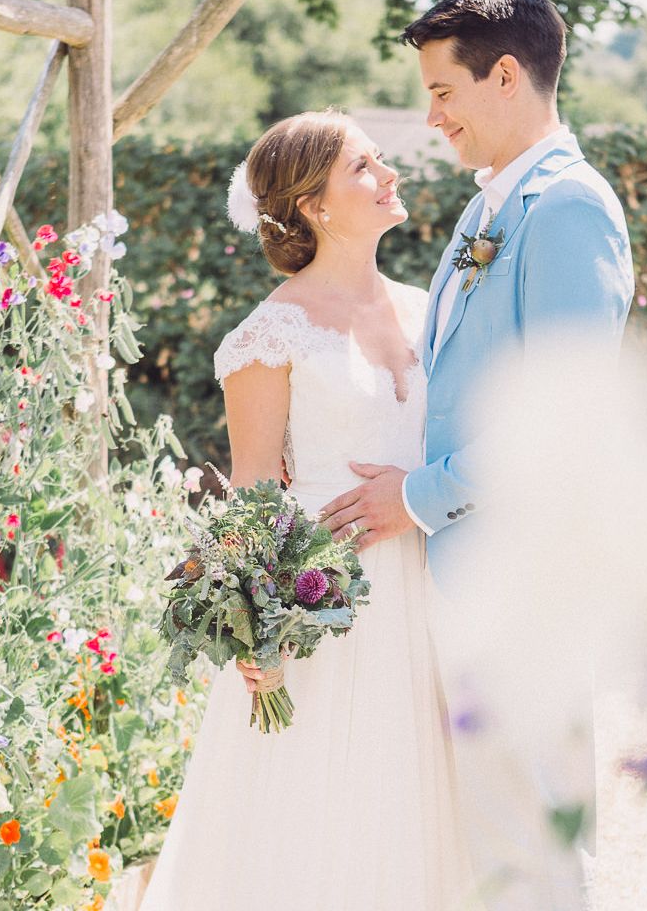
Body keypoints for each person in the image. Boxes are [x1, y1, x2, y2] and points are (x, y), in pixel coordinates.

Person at [318, 0, 635, 909]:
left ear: (504, 76)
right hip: (465, 573)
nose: (432, 117)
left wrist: (417, 497)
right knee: (487, 845)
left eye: (443, 92)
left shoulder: (567, 207)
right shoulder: (487, 206)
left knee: (529, 845)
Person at [137, 110, 474, 911]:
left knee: (425, 814)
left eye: (381, 159)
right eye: (364, 166)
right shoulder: (269, 335)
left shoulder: (434, 309)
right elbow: (254, 494)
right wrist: (260, 636)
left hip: (435, 591)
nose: (389, 174)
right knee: (320, 816)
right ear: (314, 206)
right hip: (327, 608)